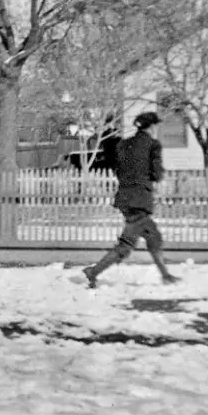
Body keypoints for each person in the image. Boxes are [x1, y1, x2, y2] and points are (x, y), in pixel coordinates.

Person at [82, 111, 181, 288]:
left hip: (125, 197)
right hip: (139, 200)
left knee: (153, 237)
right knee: (126, 245)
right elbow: (157, 174)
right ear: (151, 127)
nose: (157, 129)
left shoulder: (123, 144)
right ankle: (93, 272)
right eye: (156, 125)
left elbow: (117, 168)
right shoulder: (153, 145)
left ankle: (165, 275)